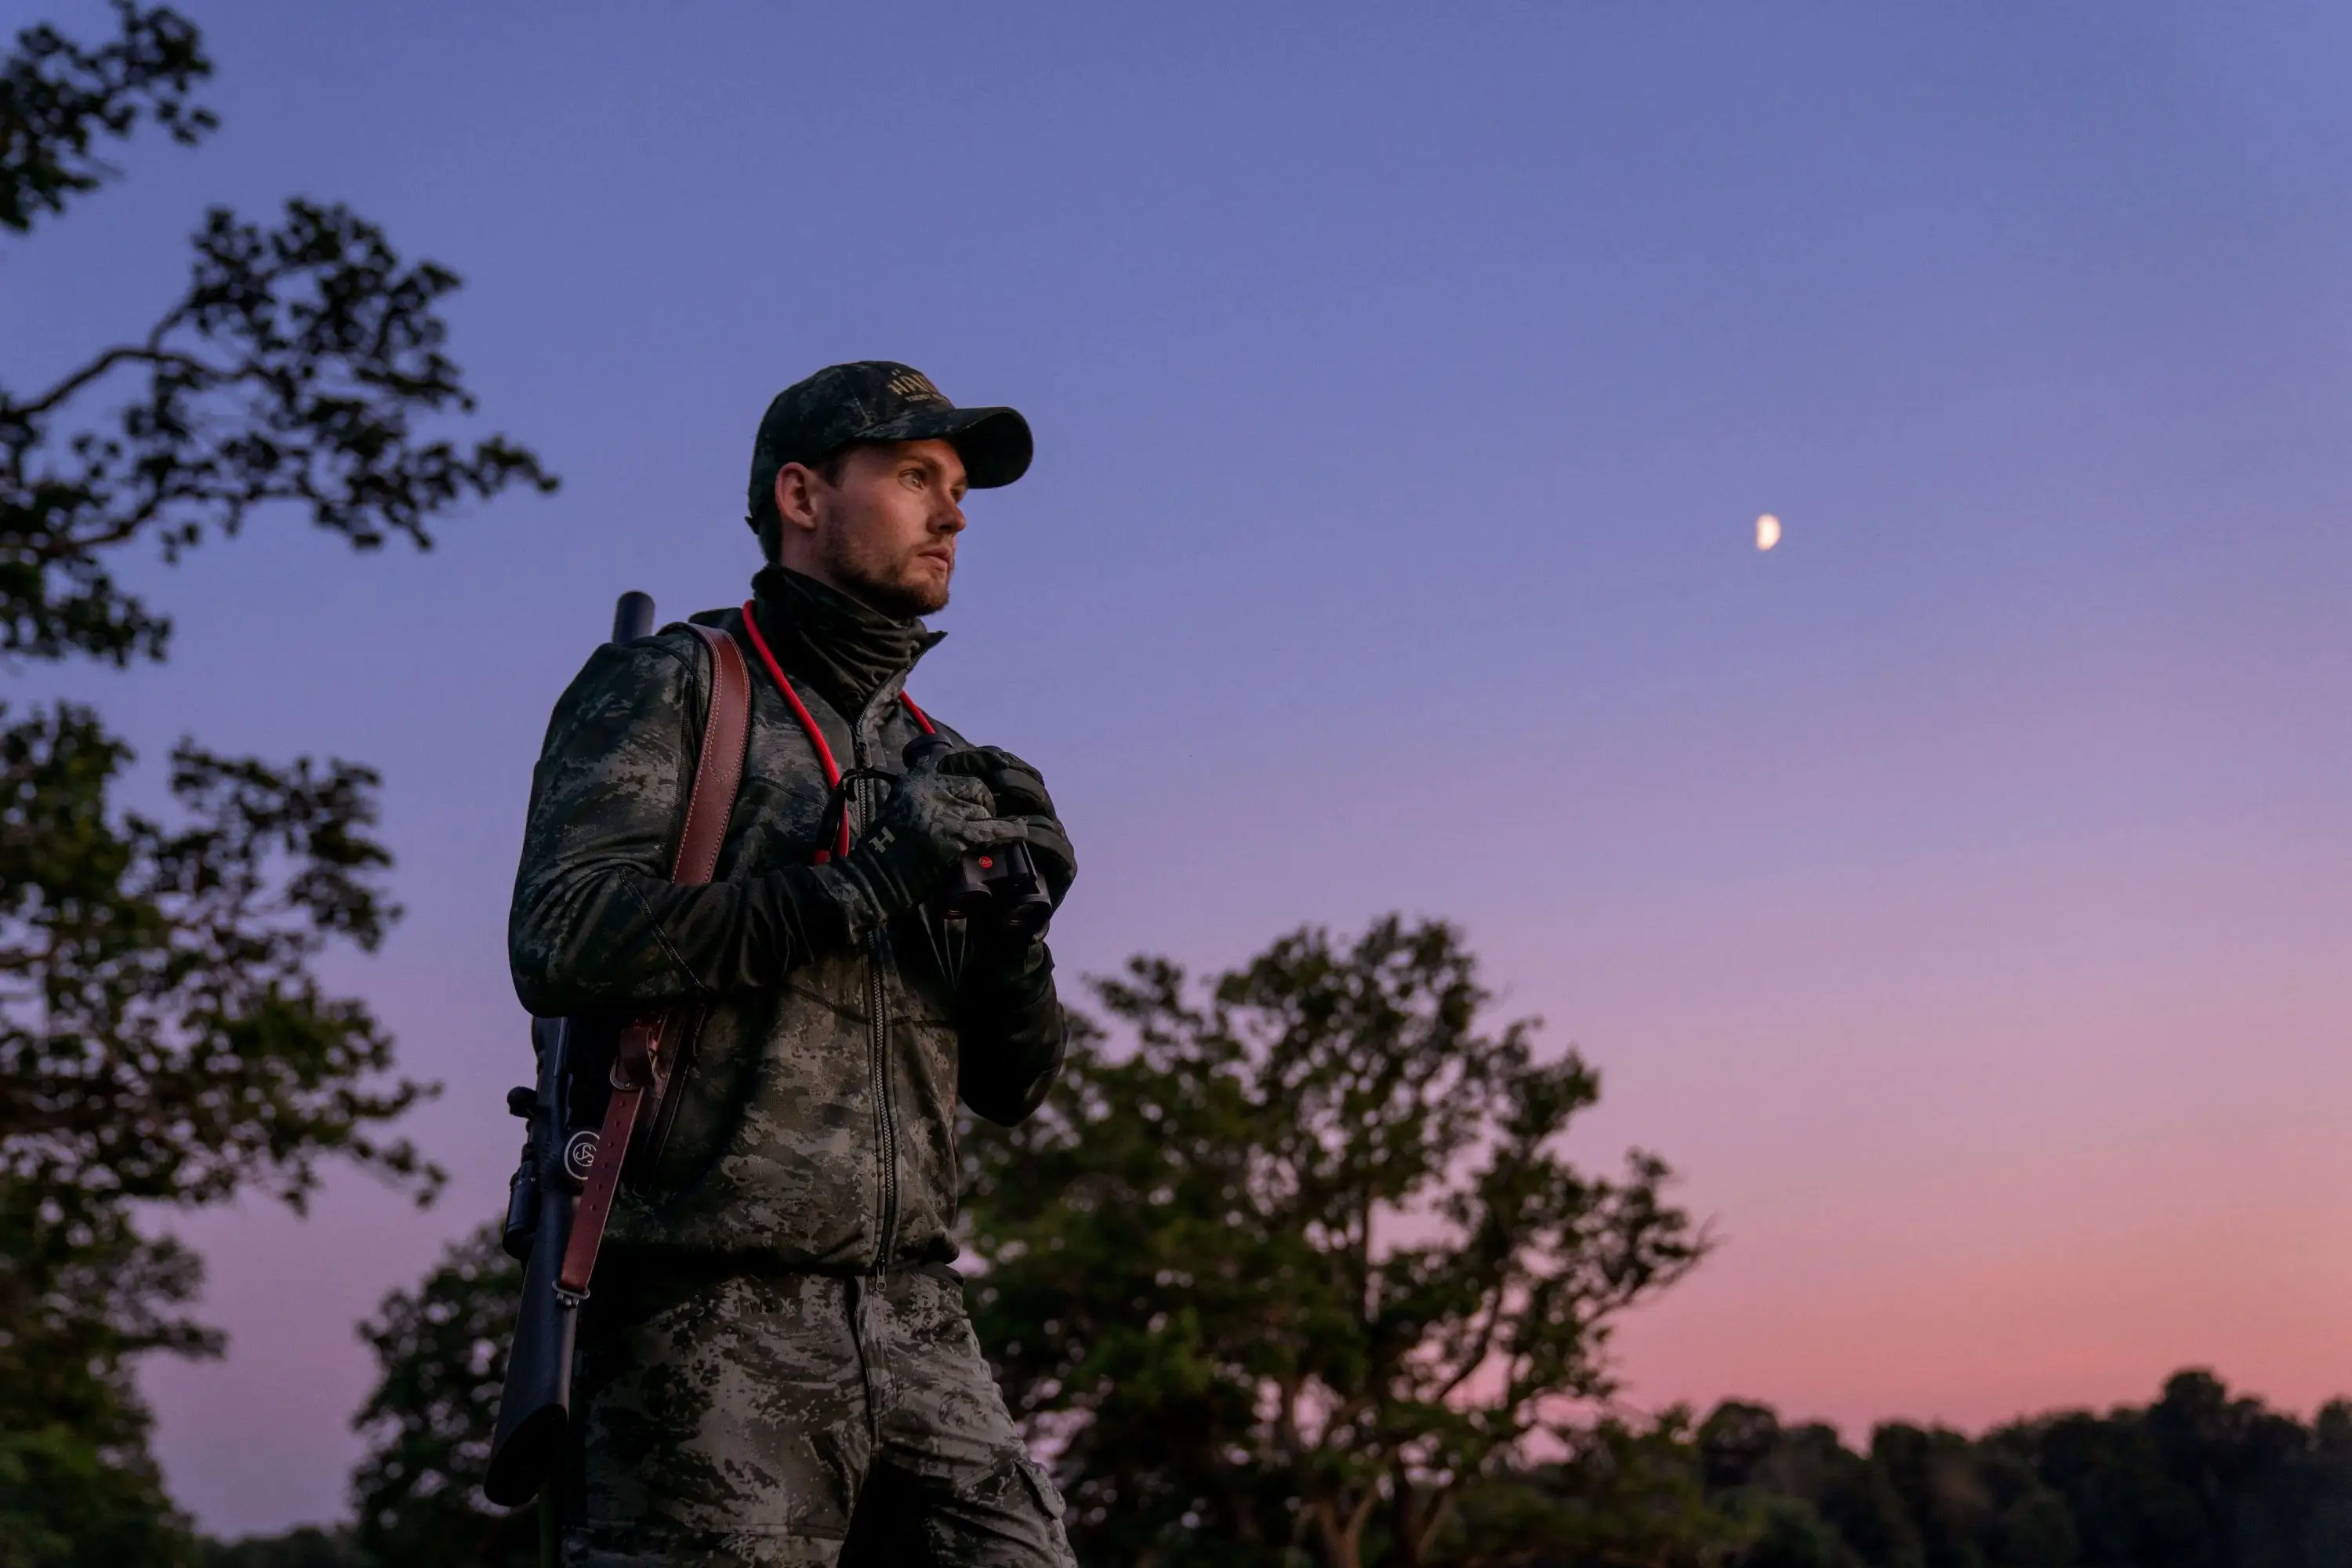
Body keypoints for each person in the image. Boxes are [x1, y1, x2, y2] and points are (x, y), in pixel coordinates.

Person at [508, 361, 1079, 1566]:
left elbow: (1013, 1085)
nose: (955, 512)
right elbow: (562, 934)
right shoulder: (675, 689)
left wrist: (1018, 940)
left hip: (919, 1312)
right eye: (918, 476)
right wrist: (864, 886)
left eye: (961, 488)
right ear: (803, 495)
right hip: (706, 1313)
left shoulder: (940, 756)